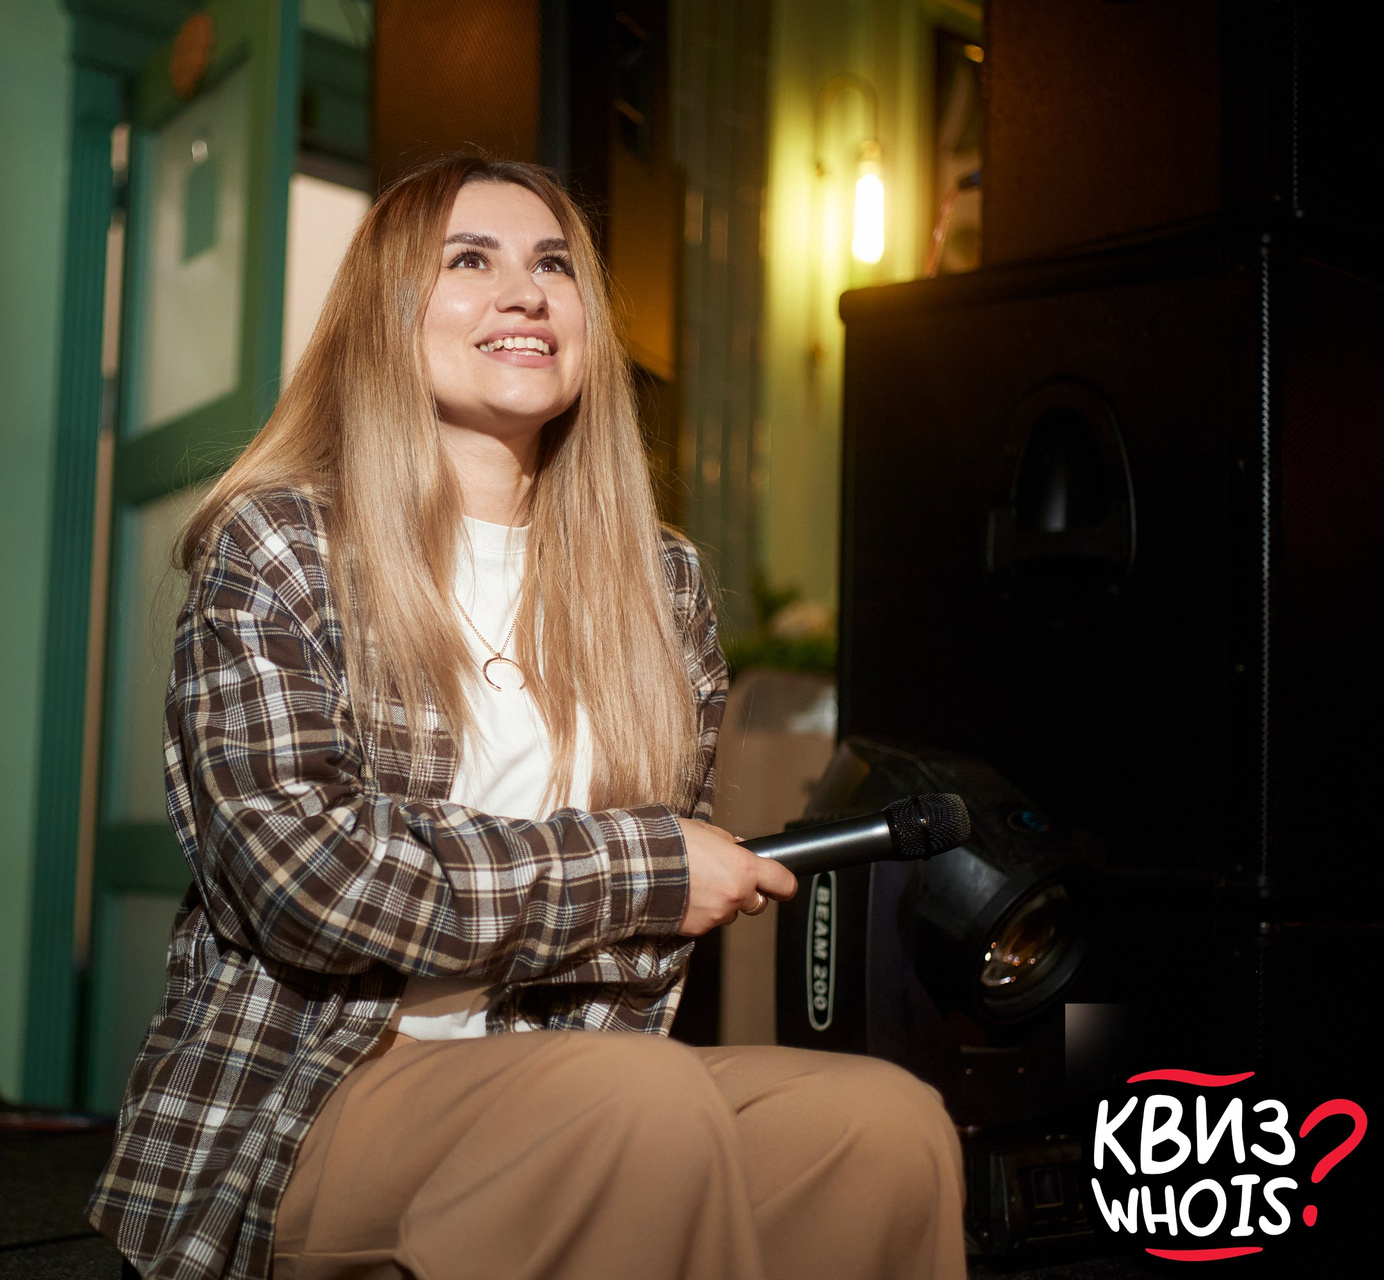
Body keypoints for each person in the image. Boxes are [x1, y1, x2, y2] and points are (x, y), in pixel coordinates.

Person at [88, 155, 965, 1280]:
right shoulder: (281, 545)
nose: (526, 293)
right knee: (633, 1101)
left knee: (882, 1128)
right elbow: (304, 875)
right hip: (320, 1088)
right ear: (387, 314)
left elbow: (643, 944)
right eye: (470, 260)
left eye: (554, 266)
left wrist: (652, 882)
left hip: (573, 1061)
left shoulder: (662, 587)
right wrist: (642, 867)